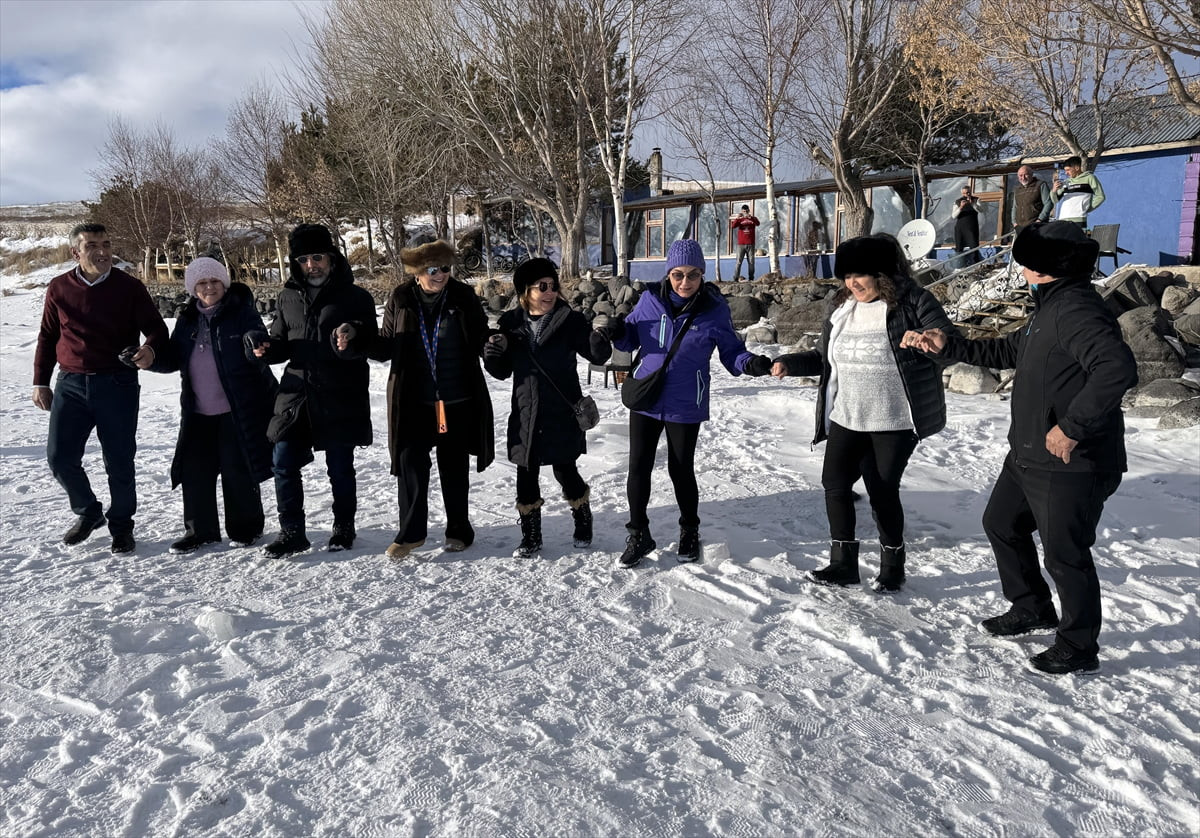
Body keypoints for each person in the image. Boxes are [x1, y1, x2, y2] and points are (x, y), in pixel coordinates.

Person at [902, 221, 1137, 674]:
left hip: (1072, 460)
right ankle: (1031, 606)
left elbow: (1116, 368)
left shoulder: (1076, 310)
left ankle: (1078, 645)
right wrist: (947, 345)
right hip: (1029, 453)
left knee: (1066, 555)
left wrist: (1072, 428)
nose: (1019, 266)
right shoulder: (1049, 307)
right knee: (1002, 524)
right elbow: (1009, 352)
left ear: (1043, 268)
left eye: (1025, 259)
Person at [770, 234, 956, 591]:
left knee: (882, 490)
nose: (853, 283)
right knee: (835, 484)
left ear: (883, 273)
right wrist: (789, 363)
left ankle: (892, 565)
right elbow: (825, 358)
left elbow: (947, 341)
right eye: (847, 276)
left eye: (861, 275)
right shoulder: (842, 308)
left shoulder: (913, 302)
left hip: (894, 420)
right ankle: (843, 563)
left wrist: (929, 341)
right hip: (847, 417)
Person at [601, 239, 773, 567]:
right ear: (668, 273)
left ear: (702, 276)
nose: (685, 282)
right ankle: (639, 534)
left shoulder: (713, 308)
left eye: (693, 275)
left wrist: (751, 364)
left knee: (681, 469)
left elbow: (732, 352)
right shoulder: (650, 300)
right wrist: (615, 331)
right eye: (678, 274)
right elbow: (630, 338)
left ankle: (689, 530)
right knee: (638, 466)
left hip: (685, 401)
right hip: (646, 398)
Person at [335, 240, 493, 560]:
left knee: (454, 467)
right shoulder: (401, 298)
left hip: (456, 399)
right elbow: (386, 346)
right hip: (412, 402)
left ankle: (459, 530)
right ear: (418, 272)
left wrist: (495, 344)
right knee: (410, 466)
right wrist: (356, 336)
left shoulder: (463, 297)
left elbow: (481, 337)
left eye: (446, 268)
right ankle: (411, 534)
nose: (440, 275)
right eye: (433, 269)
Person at [32, 223, 168, 554]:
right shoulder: (59, 288)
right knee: (60, 458)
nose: (103, 250)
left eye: (106, 243)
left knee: (119, 461)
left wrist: (149, 348)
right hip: (71, 384)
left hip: (117, 384)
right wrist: (40, 380)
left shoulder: (129, 287)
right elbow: (48, 336)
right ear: (75, 252)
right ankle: (89, 511)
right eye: (92, 245)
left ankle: (122, 527)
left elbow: (156, 329)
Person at [245, 223, 378, 558]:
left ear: (331, 258)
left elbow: (373, 343)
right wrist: (262, 348)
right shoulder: (287, 296)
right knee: (283, 460)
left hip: (340, 391)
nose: (311, 264)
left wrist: (352, 336)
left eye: (317, 257)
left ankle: (343, 526)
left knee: (340, 466)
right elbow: (279, 344)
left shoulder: (356, 296)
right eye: (303, 259)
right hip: (296, 393)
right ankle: (292, 531)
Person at [483, 257, 612, 557]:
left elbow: (596, 355)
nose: (550, 292)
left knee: (565, 470)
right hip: (526, 411)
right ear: (525, 291)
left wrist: (600, 338)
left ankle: (582, 515)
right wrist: (492, 353)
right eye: (543, 286)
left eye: (553, 286)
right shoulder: (510, 323)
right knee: (525, 473)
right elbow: (501, 371)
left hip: (561, 411)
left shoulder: (569, 320)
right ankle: (530, 536)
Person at [149, 257, 278, 554]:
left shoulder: (241, 312)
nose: (209, 287)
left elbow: (256, 334)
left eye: (215, 281)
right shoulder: (187, 320)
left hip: (236, 410)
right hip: (197, 412)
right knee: (195, 472)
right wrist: (150, 360)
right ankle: (200, 532)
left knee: (237, 471)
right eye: (202, 283)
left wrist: (257, 343)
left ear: (224, 283)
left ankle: (246, 530)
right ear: (193, 288)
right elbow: (173, 358)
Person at [1051, 156, 1105, 226]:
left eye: (1068, 170)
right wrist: (1054, 190)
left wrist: (1086, 208)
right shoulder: (1066, 182)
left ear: (1077, 168)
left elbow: (1100, 197)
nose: (1066, 173)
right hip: (1063, 218)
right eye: (1065, 170)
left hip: (1079, 218)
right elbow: (1055, 201)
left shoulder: (1090, 178)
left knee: (1078, 237)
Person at [1011, 165, 1052, 230]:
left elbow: (1048, 203)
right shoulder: (1017, 190)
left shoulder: (1040, 185)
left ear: (1031, 174)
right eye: (1020, 175)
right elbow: (1015, 207)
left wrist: (1040, 220)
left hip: (1037, 226)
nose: (1023, 178)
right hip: (1020, 227)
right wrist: (1014, 223)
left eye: (1026, 175)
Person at [952, 185, 982, 267]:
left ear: (970, 192)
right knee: (959, 248)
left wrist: (972, 204)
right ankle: (960, 266)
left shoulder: (976, 200)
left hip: (972, 227)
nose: (967, 195)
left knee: (974, 248)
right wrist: (961, 207)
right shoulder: (957, 201)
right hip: (960, 228)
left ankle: (976, 266)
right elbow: (953, 216)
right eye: (964, 193)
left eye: (968, 193)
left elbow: (981, 210)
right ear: (962, 193)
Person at [730, 204, 760, 282]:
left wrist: (751, 218)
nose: (745, 212)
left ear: (749, 211)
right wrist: (737, 218)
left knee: (751, 262)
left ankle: (751, 278)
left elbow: (758, 223)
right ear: (742, 211)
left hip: (751, 244)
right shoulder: (740, 220)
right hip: (741, 244)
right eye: (744, 211)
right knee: (739, 262)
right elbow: (733, 226)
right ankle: (735, 279)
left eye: (746, 211)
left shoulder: (753, 219)